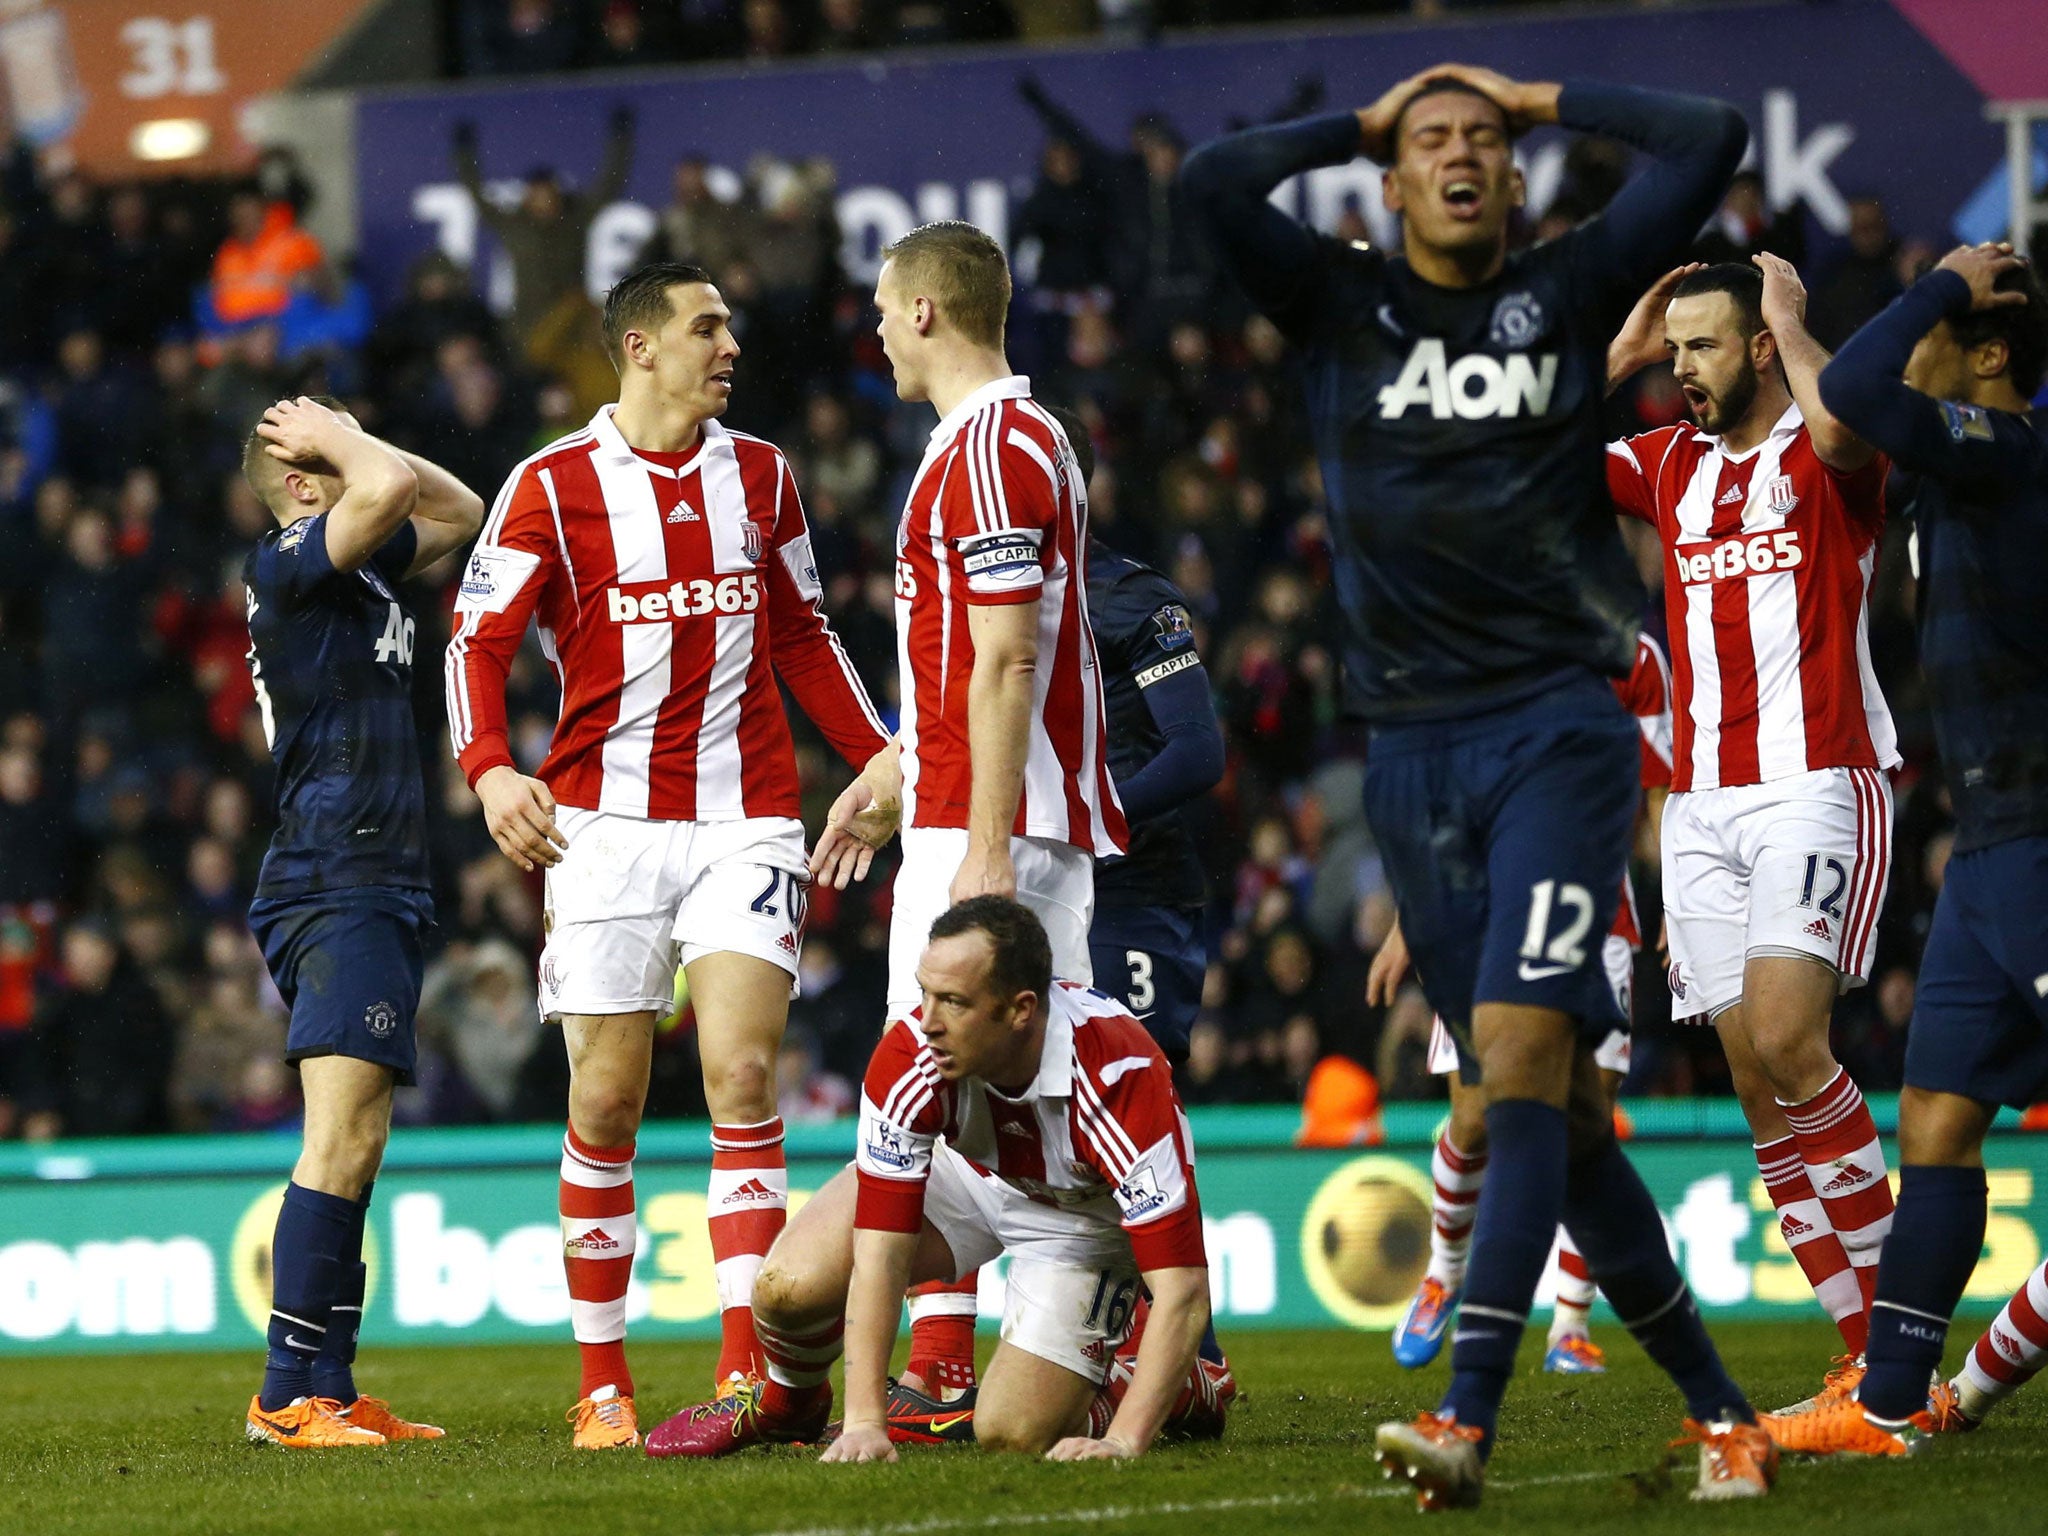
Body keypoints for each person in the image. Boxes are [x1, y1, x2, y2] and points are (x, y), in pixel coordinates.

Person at [1180, 65, 1772, 1507]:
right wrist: (1356, 122)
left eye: (1484, 145)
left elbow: (1710, 132)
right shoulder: (1339, 305)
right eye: (1431, 142)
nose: (1459, 156)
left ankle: (1463, 1418)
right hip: (1408, 759)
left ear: (1514, 180)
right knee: (1557, 1125)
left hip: (1558, 735)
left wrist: (1539, 92)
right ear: (1391, 180)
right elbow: (1206, 185)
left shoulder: (1567, 295)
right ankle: (1724, 1418)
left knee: (1510, 1065)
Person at [445, 261, 894, 1449]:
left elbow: (801, 634)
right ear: (638, 348)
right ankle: (603, 1383)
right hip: (601, 827)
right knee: (606, 1098)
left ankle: (750, 1372)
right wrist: (490, 768)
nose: (729, 345)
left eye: (732, 326)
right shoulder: (548, 485)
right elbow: (473, 642)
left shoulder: (762, 477)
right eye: (705, 327)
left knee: (742, 1077)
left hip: (746, 815)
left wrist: (883, 755)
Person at [808, 221, 1127, 1442]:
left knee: (1005, 1086)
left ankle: (1145, 1339)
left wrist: (984, 846)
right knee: (955, 1089)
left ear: (926, 312)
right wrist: (888, 775)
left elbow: (1007, 658)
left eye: (886, 309)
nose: (878, 330)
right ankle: (946, 1358)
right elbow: (963, 670)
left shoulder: (994, 447)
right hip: (958, 815)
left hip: (1000, 834)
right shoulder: (977, 446)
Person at [1766, 243, 2048, 1456]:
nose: (1923, 335)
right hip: (1987, 847)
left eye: (1947, 326)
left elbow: (1862, 396)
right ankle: (1890, 1405)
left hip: (2042, 834)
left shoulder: (2012, 450)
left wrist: (1934, 282)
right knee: (1932, 1120)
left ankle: (1968, 1381)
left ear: (1987, 356)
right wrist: (1784, 321)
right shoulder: (1952, 465)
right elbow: (1844, 407)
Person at [1605, 255, 1899, 1408]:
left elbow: (1844, 420)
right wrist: (1617, 357)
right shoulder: (1664, 462)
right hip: (1701, 805)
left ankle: (1897, 1352)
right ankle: (1861, 1355)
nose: (1681, 369)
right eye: (1671, 350)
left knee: (1788, 1039)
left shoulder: (1830, 457)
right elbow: (1511, 458)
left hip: (1816, 779)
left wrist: (1788, 313)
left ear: (1760, 348)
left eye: (1702, 346)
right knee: (1752, 1078)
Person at [642, 896, 1226, 1461]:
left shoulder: (1116, 1076)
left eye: (953, 1002)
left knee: (1011, 1429)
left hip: (1082, 1224)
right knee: (788, 1288)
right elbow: (880, 1253)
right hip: (972, 1176)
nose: (928, 1021)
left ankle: (1178, 1388)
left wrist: (1122, 1442)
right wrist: (867, 1423)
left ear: (1020, 1010)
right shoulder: (911, 1054)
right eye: (924, 993)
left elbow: (1183, 1292)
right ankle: (789, 1406)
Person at [239, 394, 484, 1447]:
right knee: (337, 1136)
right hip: (332, 875)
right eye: (331, 454)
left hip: (375, 880)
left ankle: (330, 1385)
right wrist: (343, 447)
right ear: (302, 486)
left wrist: (346, 436)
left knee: (366, 1137)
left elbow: (461, 506)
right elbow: (384, 487)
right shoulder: (292, 556)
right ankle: (286, 1394)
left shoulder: (369, 568)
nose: (362, 458)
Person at [1381, 632, 1674, 1379]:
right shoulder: (1471, 640)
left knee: (1586, 1120)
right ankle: (1445, 1272)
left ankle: (1569, 1326)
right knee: (1476, 1117)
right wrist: (1408, 922)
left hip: (1599, 917)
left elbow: (1659, 791)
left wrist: (1680, 900)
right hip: (1487, 915)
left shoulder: (1632, 658)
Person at [452, 106, 636, 354]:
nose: (543, 201)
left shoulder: (574, 221)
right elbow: (477, 195)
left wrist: (621, 140)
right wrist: (464, 152)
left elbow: (609, 185)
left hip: (571, 324)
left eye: (548, 194)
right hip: (527, 326)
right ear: (527, 197)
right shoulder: (513, 224)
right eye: (536, 194)